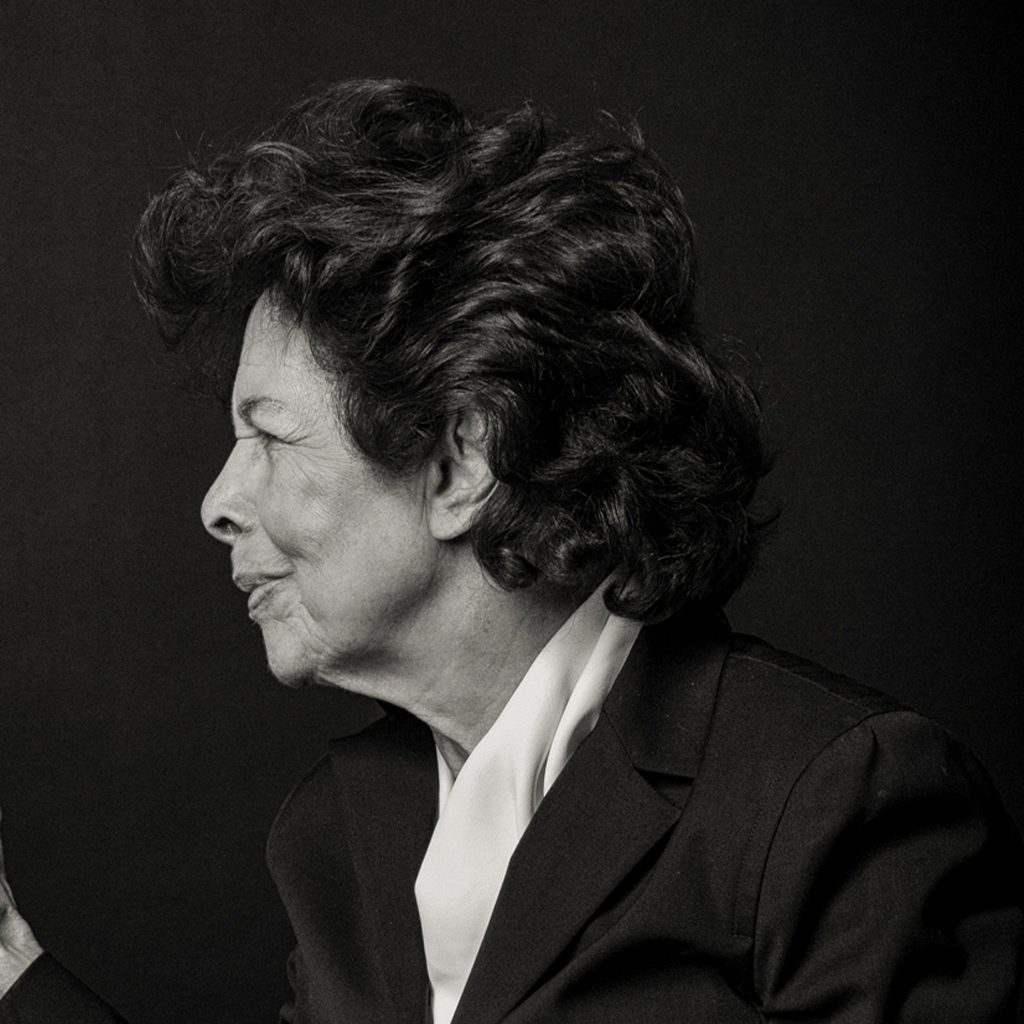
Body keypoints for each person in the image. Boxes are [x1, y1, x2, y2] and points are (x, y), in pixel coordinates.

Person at [1, 78, 1021, 1023]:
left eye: (268, 435)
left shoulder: (833, 801)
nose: (217, 504)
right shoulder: (342, 831)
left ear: (463, 464)